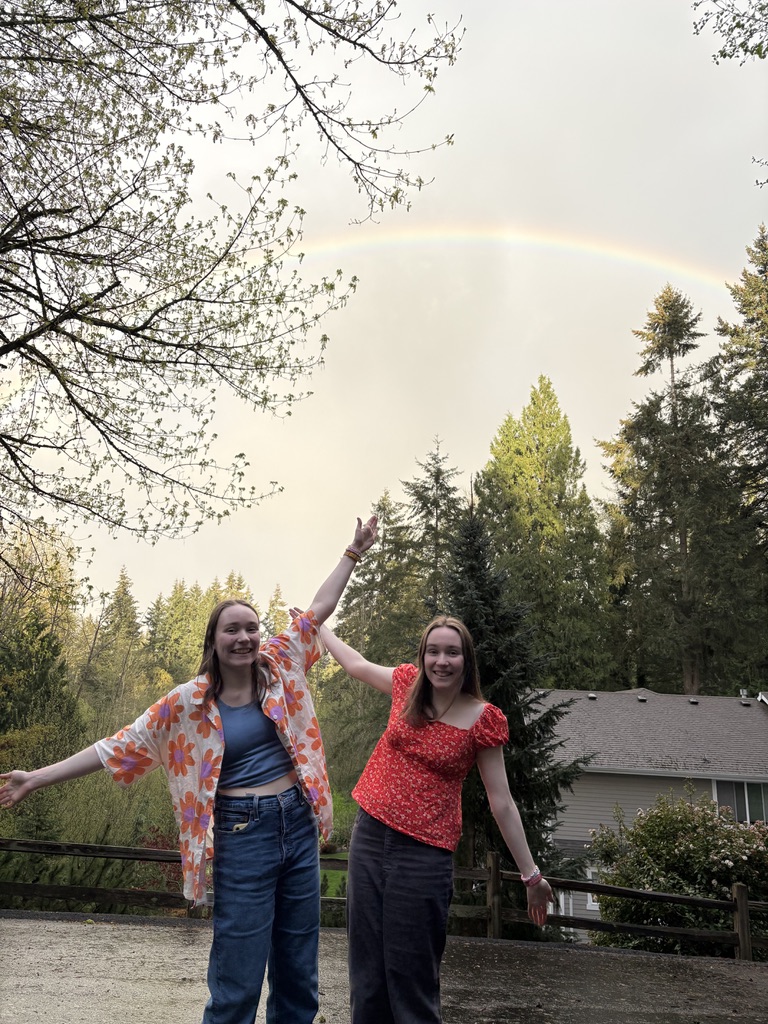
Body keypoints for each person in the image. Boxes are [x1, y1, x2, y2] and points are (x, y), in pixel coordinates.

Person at [0, 514, 378, 1024]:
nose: (245, 637)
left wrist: (352, 552)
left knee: (298, 978)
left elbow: (319, 609)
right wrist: (36, 777)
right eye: (233, 629)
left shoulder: (282, 666)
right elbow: (117, 747)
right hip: (243, 834)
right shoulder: (186, 705)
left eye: (251, 627)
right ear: (215, 640)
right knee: (237, 981)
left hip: (299, 822)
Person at [318, 614, 554, 1024]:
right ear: (423, 656)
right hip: (370, 836)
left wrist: (532, 877)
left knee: (412, 974)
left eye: (452, 652)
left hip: (424, 855)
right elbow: (355, 664)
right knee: (367, 970)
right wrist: (316, 624)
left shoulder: (483, 719)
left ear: (467, 660)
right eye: (433, 651)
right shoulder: (406, 686)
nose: (441, 661)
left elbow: (502, 802)